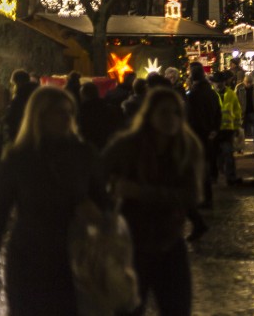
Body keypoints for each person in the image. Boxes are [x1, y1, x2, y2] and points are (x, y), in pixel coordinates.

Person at [0, 85, 109, 314]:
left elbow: (104, 202)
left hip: (74, 258)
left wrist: (96, 212)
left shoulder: (84, 154)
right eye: (59, 112)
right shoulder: (19, 159)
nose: (67, 118)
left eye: (70, 112)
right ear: (39, 116)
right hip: (29, 259)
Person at [103, 87, 204, 316]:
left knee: (177, 308)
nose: (171, 119)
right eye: (164, 112)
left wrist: (140, 192)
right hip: (131, 243)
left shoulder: (187, 147)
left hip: (169, 242)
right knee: (128, 308)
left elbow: (191, 195)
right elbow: (99, 175)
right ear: (150, 115)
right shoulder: (126, 146)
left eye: (176, 113)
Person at [185, 62, 221, 207]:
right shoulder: (211, 93)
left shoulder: (194, 94)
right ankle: (206, 197)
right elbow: (218, 112)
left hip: (197, 133)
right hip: (209, 133)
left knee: (197, 167)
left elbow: (192, 115)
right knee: (204, 164)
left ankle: (201, 197)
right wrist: (214, 129)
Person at [212, 72, 243, 186]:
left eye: (220, 82)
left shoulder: (231, 94)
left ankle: (230, 177)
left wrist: (237, 127)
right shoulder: (211, 94)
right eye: (216, 82)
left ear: (224, 82)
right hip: (215, 130)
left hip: (227, 130)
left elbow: (237, 111)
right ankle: (216, 176)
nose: (218, 84)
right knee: (215, 156)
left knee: (228, 154)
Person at [78, 81, 123, 152]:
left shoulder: (80, 112)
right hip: (108, 147)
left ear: (83, 95)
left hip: (89, 149)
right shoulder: (110, 108)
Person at [3, 69, 39, 148]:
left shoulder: (19, 98)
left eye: (13, 84)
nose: (13, 88)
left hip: (20, 140)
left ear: (17, 83)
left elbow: (12, 120)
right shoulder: (37, 95)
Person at [237, 74, 254, 154]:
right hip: (242, 112)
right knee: (240, 131)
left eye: (250, 82)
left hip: (253, 112)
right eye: (247, 82)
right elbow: (235, 99)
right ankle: (240, 148)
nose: (249, 84)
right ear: (244, 81)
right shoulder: (239, 87)